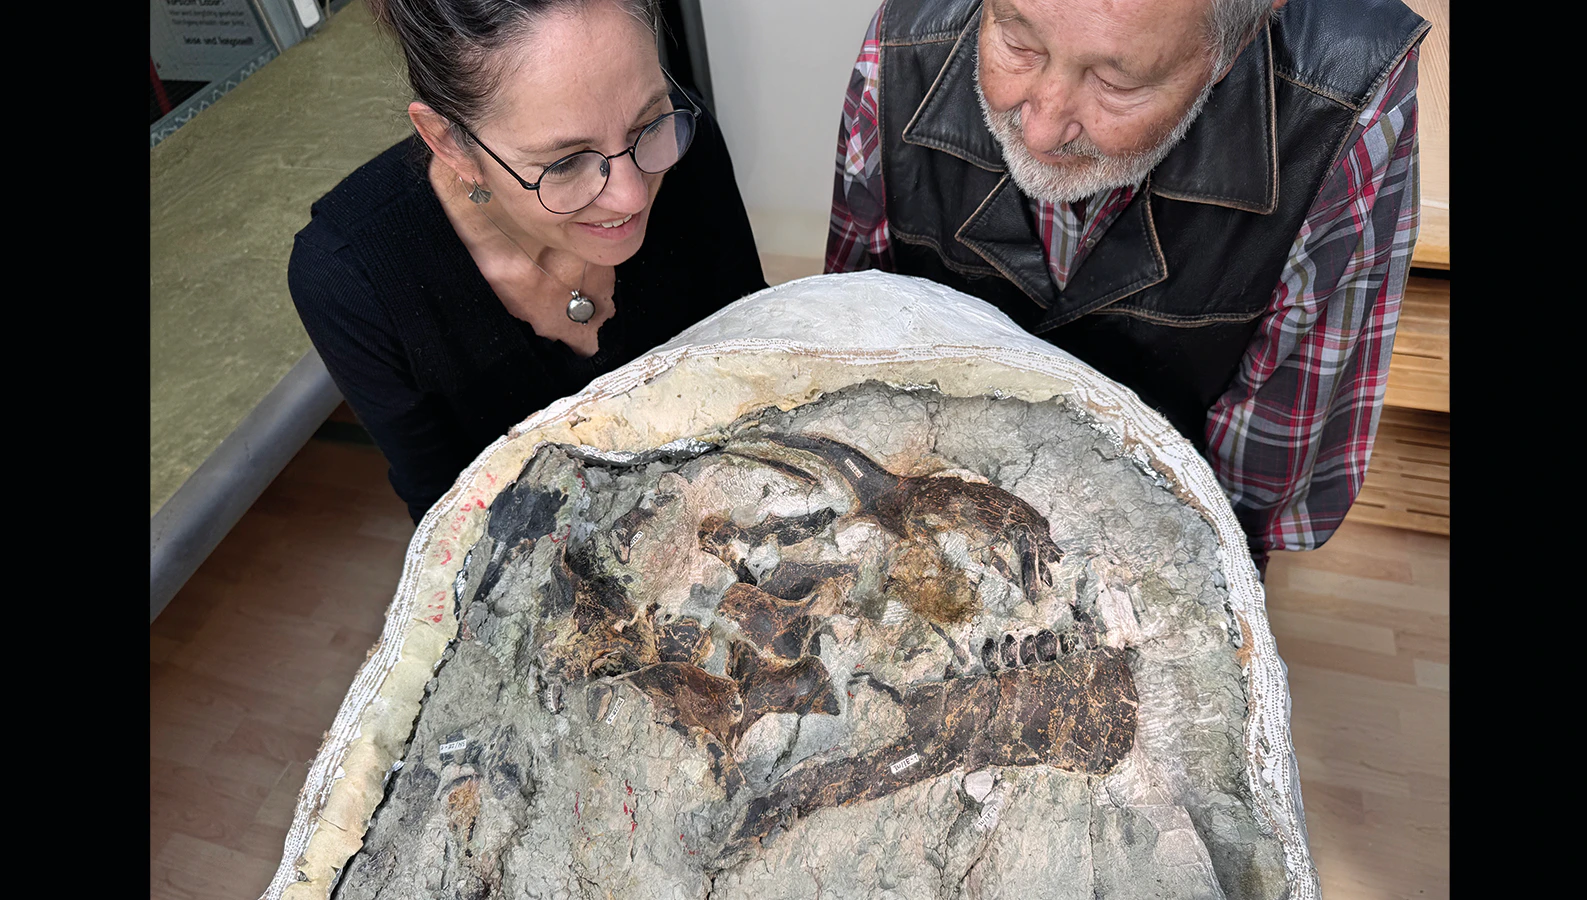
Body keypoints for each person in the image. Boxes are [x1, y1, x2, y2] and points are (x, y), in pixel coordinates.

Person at [825, 0, 1430, 576]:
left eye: (1116, 84)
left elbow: (1262, 478)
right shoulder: (907, 34)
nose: (1040, 131)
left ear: (1235, 42)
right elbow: (846, 344)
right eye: (1015, 40)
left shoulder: (1344, 98)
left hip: (1167, 527)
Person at [289, 0, 767, 524]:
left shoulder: (682, 148)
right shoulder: (354, 280)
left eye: (647, 122)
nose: (632, 196)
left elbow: (755, 359)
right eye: (565, 163)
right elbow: (452, 517)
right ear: (449, 144)